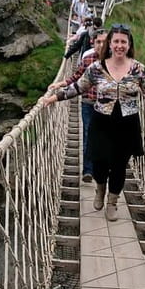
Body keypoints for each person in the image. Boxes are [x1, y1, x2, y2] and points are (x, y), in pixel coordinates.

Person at [42, 24, 145, 221]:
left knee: (119, 166)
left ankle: (112, 202)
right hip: (101, 122)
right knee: (99, 164)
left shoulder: (138, 69)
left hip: (127, 125)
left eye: (123, 42)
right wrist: (54, 98)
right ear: (110, 43)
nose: (119, 45)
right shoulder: (96, 68)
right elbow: (78, 87)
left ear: (129, 44)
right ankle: (100, 189)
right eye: (116, 41)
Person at [49, 29, 109, 183]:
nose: (101, 45)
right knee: (88, 134)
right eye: (98, 42)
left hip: (108, 106)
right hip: (88, 103)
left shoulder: (116, 61)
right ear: (92, 43)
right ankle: (88, 171)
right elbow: (77, 77)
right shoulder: (88, 59)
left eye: (104, 41)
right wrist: (61, 84)